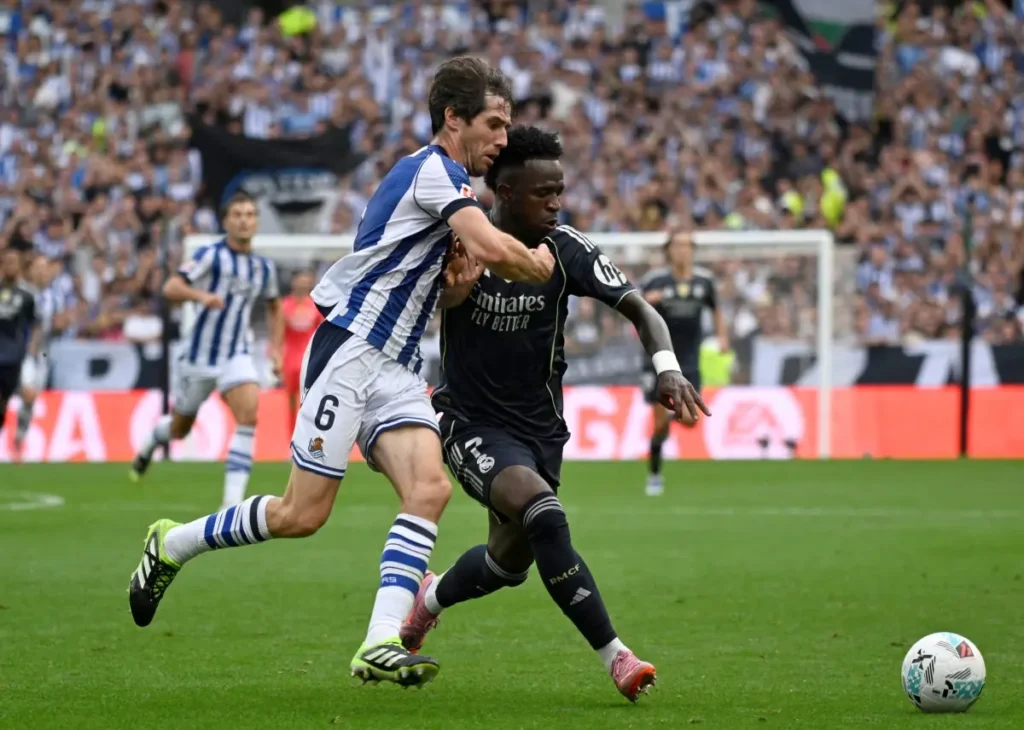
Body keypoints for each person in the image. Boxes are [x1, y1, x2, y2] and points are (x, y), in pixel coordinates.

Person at [126, 57, 555, 688]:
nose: (502, 139)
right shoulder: (432, 172)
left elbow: (438, 289)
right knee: (301, 515)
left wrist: (458, 288)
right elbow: (495, 249)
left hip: (398, 368)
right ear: (453, 119)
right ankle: (173, 543)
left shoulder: (448, 189)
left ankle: (380, 641)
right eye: (493, 124)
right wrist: (540, 262)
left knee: (429, 490)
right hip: (351, 353)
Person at [400, 126, 709, 702]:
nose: (556, 203)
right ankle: (617, 656)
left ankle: (430, 600)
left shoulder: (566, 247)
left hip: (540, 431)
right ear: (505, 193)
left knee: (506, 564)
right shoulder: (460, 242)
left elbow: (641, 309)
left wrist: (667, 367)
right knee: (544, 513)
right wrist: (447, 296)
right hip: (470, 423)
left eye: (559, 191)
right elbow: (412, 302)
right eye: (544, 193)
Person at [129, 191, 283, 511]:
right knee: (179, 428)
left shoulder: (263, 267)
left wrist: (276, 350)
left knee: (249, 415)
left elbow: (274, 306)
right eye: (237, 214)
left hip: (236, 354)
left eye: (250, 214)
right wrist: (202, 297)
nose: (244, 220)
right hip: (199, 357)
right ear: (226, 222)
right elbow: (171, 287)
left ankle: (230, 504)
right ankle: (151, 440)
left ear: (256, 221)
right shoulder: (210, 255)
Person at [639, 230, 729, 496]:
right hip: (658, 358)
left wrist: (722, 336)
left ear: (692, 250)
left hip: (689, 359)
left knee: (691, 420)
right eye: (677, 245)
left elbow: (716, 309)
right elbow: (634, 308)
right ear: (668, 250)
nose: (682, 250)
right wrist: (648, 301)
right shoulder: (654, 280)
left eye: (687, 245)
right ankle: (655, 475)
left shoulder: (704, 281)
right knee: (658, 426)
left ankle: (671, 413)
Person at [12, 255, 64, 460]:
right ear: (30, 270)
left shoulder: (53, 296)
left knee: (32, 398)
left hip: (43, 352)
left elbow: (55, 326)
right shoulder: (21, 292)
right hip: (22, 350)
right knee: (28, 391)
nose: (42, 271)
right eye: (38, 267)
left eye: (45, 267)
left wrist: (62, 324)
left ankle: (20, 436)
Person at [0, 248, 39, 444]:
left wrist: (33, 347)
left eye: (13, 262)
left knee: (29, 392)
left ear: (19, 266)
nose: (10, 266)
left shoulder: (28, 294)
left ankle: (22, 430)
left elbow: (36, 324)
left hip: (19, 354)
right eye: (6, 261)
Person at [277, 269, 322, 426]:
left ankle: (308, 432)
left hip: (310, 358)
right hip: (290, 359)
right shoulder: (285, 305)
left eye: (307, 281)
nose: (304, 284)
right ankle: (292, 434)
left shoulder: (315, 305)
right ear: (293, 282)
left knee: (311, 399)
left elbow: (321, 332)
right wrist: (276, 357)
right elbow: (278, 334)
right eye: (301, 280)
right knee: (291, 399)